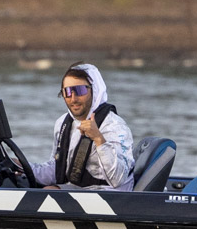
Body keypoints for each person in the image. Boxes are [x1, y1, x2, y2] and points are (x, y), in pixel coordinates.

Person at [31, 62, 135, 191]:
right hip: (80, 189)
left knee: (50, 192)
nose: (73, 99)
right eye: (67, 92)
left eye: (80, 90)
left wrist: (98, 139)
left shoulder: (115, 126)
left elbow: (118, 179)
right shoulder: (62, 123)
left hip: (112, 195)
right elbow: (56, 170)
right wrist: (24, 167)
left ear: (95, 90)